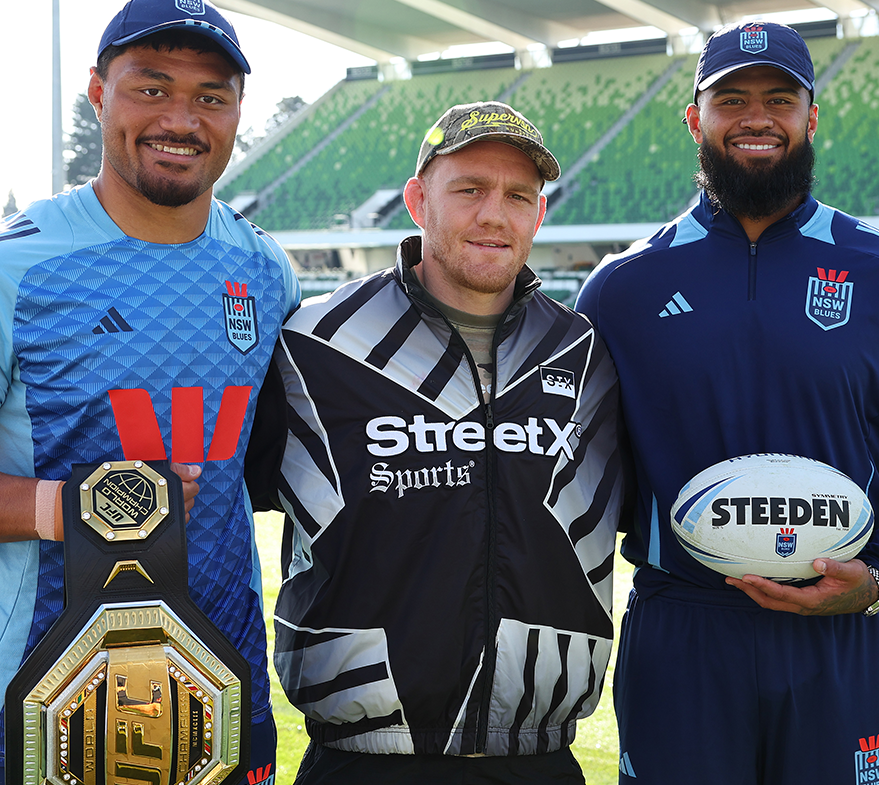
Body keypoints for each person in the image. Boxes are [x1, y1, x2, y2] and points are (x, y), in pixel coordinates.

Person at [0, 1, 298, 782]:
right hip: (41, 713)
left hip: (223, 701)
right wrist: (72, 508)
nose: (182, 119)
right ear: (97, 92)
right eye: (150, 89)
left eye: (211, 96)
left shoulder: (267, 269)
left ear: (237, 113)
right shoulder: (2, 269)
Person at [575, 22, 879, 785]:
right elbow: (573, 474)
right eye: (731, 99)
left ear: (811, 117)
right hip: (682, 628)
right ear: (697, 120)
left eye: (779, 99)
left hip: (839, 630)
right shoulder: (621, 286)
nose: (756, 117)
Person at [247, 102, 628, 783]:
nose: (494, 214)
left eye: (518, 196)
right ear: (418, 199)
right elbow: (221, 500)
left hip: (538, 758)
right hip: (363, 760)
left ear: (539, 216)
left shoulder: (587, 354)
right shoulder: (315, 346)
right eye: (469, 189)